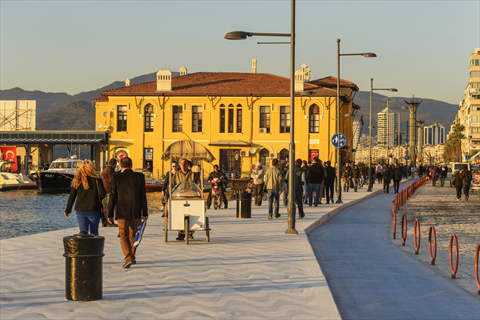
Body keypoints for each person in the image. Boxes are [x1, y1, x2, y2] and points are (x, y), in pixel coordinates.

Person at [107, 157, 148, 268]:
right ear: (131, 165)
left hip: (121, 211)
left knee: (123, 235)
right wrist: (145, 212)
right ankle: (132, 256)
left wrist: (109, 214)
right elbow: (143, 196)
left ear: (120, 165)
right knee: (133, 235)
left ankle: (128, 257)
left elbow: (112, 197)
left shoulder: (116, 177)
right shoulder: (139, 177)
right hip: (136, 211)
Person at [65, 160, 106, 236]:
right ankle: (94, 247)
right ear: (92, 168)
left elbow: (72, 196)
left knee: (83, 232)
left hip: (80, 211)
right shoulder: (97, 180)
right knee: (94, 232)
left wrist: (68, 210)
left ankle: (84, 247)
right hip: (94, 210)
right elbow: (102, 195)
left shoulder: (77, 180)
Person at [173, 158, 200, 241]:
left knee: (192, 213)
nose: (183, 166)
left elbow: (198, 186)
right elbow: (173, 187)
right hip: (179, 198)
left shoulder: (193, 175)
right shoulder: (176, 175)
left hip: (191, 198)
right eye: (181, 164)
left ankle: (190, 232)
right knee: (179, 214)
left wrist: (191, 191)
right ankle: (181, 233)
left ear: (188, 165)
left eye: (184, 164)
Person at [100, 158, 117, 227]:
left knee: (105, 206)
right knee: (109, 206)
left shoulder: (105, 169)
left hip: (104, 190)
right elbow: (111, 181)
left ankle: (104, 222)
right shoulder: (110, 170)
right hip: (108, 190)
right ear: (115, 164)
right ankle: (109, 222)